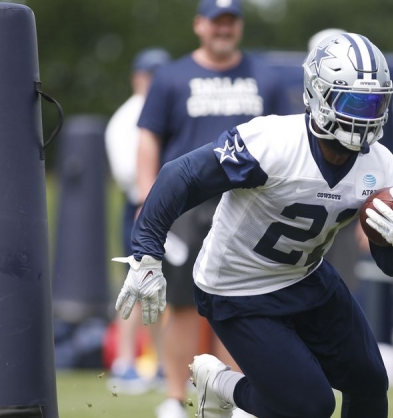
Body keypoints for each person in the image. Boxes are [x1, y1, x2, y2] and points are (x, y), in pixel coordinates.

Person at [115, 32, 393, 418]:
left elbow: (392, 264)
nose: (365, 116)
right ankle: (222, 385)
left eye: (374, 103)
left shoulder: (381, 168)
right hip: (237, 287)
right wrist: (146, 253)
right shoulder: (273, 143)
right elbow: (181, 176)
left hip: (305, 276)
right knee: (311, 405)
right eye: (353, 101)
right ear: (318, 94)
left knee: (369, 382)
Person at [133, 0, 285, 416]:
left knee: (240, 305)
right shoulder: (171, 76)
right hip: (187, 206)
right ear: (200, 25)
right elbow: (148, 138)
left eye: (231, 21)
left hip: (247, 206)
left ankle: (235, 399)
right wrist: (148, 198)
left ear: (240, 26)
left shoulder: (265, 79)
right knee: (182, 304)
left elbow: (285, 143)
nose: (224, 29)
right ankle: (173, 398)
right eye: (217, 22)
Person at [104, 47, 171, 394]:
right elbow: (127, 172)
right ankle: (124, 363)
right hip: (140, 206)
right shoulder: (127, 117)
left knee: (160, 288)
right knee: (137, 281)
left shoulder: (163, 109)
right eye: (151, 75)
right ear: (138, 78)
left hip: (166, 208)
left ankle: (161, 365)